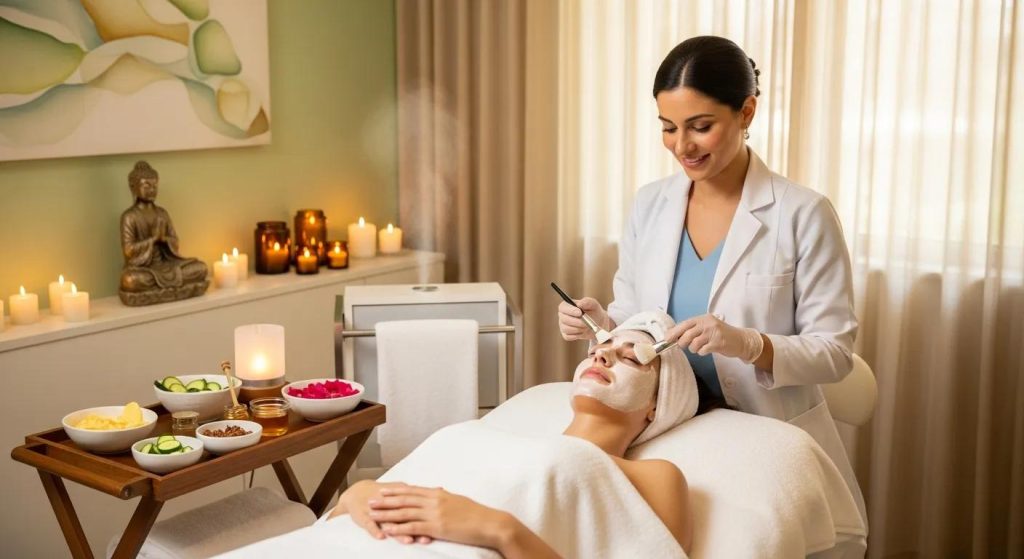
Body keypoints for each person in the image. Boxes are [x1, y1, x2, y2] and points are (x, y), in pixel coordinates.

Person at [556, 35, 867, 533]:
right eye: (668, 128)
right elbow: (640, 320)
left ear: (746, 112)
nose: (682, 146)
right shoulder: (650, 205)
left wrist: (749, 344)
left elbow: (835, 353)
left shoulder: (803, 214)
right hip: (667, 433)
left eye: (701, 127)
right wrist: (603, 324)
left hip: (761, 437)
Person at [327, 311, 698, 558]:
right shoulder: (488, 435)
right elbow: (344, 513)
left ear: (656, 405)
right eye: (600, 348)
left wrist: (499, 529)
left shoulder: (654, 475)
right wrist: (361, 494)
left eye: (631, 358)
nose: (601, 357)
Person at [119, 161, 209, 306]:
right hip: (143, 268)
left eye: (154, 186)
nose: (152, 190)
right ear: (134, 187)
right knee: (130, 280)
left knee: (201, 268)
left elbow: (175, 242)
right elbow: (128, 250)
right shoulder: (129, 217)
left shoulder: (162, 213)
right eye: (146, 186)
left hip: (167, 264)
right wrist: (152, 239)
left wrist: (164, 239)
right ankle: (172, 289)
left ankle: (164, 290)